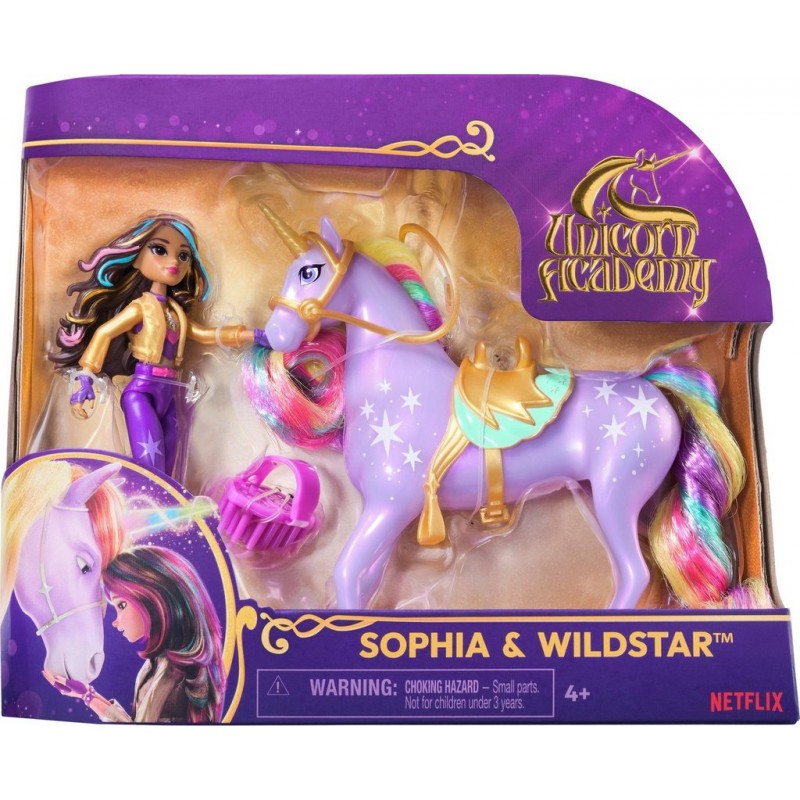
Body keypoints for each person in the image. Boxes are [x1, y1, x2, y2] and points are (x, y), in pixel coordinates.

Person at [50, 213, 261, 476]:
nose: (174, 262)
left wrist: (253, 335)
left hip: (171, 393)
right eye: (160, 250)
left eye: (183, 255)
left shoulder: (175, 311)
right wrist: (86, 376)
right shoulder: (140, 307)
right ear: (136, 257)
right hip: (142, 392)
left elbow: (204, 334)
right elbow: (104, 332)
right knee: (150, 468)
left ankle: (166, 502)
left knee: (169, 472)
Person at [45, 545, 225, 723]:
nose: (115, 622)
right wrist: (87, 694)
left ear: (153, 597)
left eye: (121, 605)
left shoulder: (174, 675)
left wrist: (88, 696)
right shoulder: (162, 661)